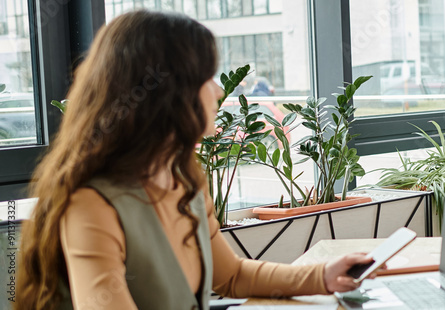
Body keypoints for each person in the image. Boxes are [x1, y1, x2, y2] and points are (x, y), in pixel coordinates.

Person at [15, 10, 374, 310]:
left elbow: (230, 275)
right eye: (206, 78)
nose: (219, 90)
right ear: (169, 96)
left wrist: (321, 276)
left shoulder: (184, 178)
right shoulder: (91, 206)